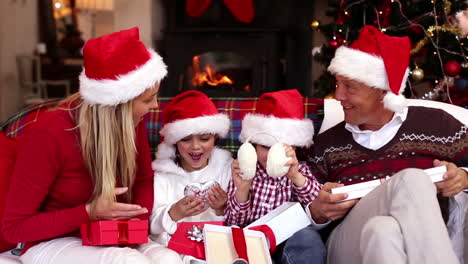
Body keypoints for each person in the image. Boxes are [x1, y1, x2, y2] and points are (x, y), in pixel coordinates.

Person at [2, 27, 168, 263]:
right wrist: (90, 212)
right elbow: (14, 228)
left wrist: (134, 225)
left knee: (169, 259)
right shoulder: (50, 132)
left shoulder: (133, 121)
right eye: (148, 99)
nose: (156, 107)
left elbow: (143, 179)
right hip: (53, 241)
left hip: (110, 235)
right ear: (117, 106)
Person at [307, 25, 468, 264]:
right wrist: (317, 212)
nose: (338, 95)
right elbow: (298, 207)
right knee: (412, 179)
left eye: (349, 86)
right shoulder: (325, 145)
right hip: (346, 246)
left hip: (404, 243)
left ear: (383, 91)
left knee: (384, 231)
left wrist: (463, 178)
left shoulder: (438, 125)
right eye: (338, 83)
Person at [225, 89, 326, 264]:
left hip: (290, 244)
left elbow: (319, 206)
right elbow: (233, 222)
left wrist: (296, 177)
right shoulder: (244, 171)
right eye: (265, 147)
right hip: (253, 244)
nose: (270, 155)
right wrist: (243, 190)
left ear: (295, 148)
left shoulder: (299, 170)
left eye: (278, 148)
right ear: (253, 146)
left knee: (308, 237)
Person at [149, 90, 232, 263]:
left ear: (215, 138)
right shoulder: (162, 177)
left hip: (213, 248)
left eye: (204, 138)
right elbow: (150, 225)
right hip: (171, 249)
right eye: (186, 139)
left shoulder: (226, 170)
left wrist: (220, 210)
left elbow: (239, 222)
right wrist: (173, 213)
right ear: (174, 142)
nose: (195, 147)